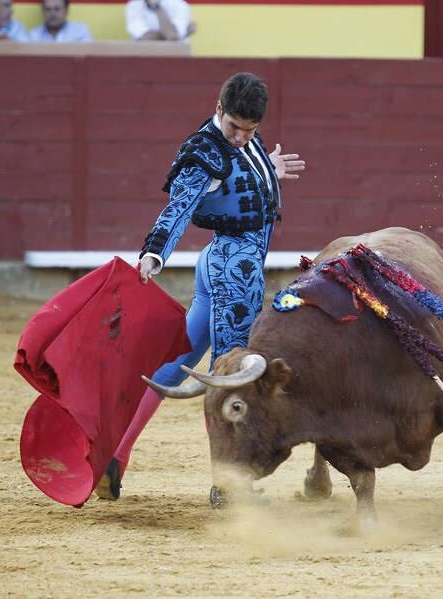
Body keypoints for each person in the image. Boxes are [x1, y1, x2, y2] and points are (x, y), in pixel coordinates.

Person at [94, 72, 305, 501]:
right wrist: (154, 254)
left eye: (251, 131)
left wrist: (272, 169)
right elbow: (177, 209)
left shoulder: (243, 142)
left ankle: (113, 456)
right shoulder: (202, 154)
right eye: (235, 128)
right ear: (218, 109)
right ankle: (228, 482)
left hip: (223, 266)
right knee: (232, 378)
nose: (242, 138)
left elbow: (244, 182)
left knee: (174, 365)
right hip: (234, 271)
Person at [125, 0, 195, 41]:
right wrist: (174, 37)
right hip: (146, 58)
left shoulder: (180, 5)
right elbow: (144, 37)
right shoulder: (133, 6)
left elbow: (171, 35)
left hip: (176, 58)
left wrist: (157, 7)